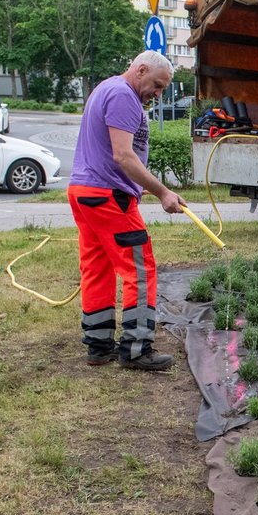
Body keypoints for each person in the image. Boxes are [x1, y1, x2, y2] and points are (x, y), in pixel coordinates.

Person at [68, 51, 186, 371]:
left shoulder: (107, 88)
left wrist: (137, 187)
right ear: (141, 69)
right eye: (157, 85)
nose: (158, 94)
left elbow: (112, 153)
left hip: (86, 192)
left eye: (162, 89)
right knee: (140, 270)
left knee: (98, 267)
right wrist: (162, 192)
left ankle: (98, 346)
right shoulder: (123, 95)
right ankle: (136, 349)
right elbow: (123, 155)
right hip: (108, 197)